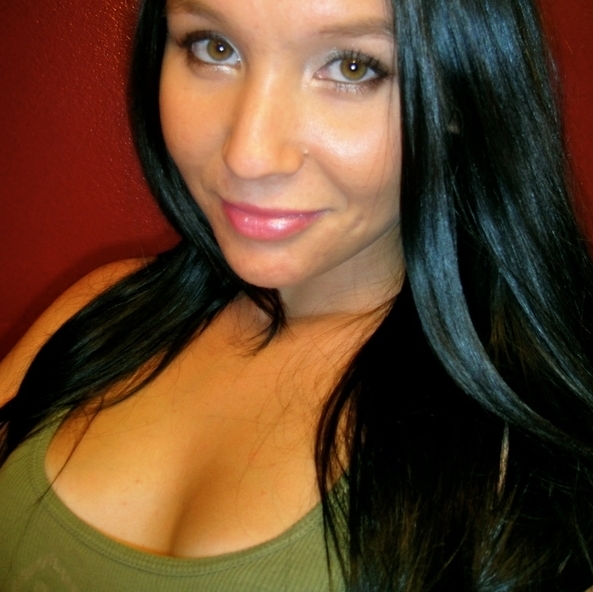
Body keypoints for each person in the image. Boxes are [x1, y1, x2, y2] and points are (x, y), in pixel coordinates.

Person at [1, 0, 593, 589]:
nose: (249, 155)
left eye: (353, 66)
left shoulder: (545, 471)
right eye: (214, 47)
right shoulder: (95, 313)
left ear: (464, 94)